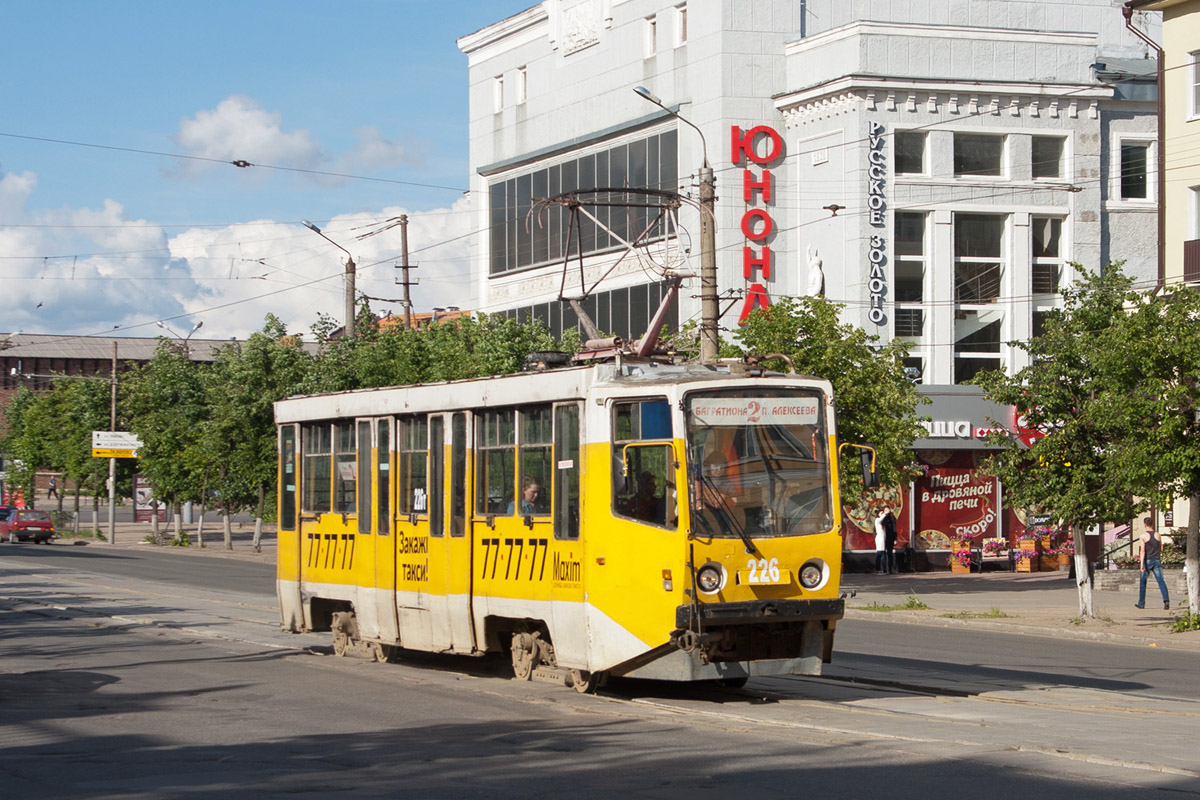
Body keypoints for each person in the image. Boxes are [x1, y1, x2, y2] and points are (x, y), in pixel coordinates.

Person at [1135, 517, 1170, 610]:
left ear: (1145, 524)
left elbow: (1142, 551)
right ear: (1152, 524)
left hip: (1148, 560)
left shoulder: (1143, 536)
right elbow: (1161, 548)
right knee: (1161, 581)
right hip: (1157, 560)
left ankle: (1141, 603)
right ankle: (1166, 600)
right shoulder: (1158, 535)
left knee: (1143, 582)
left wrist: (1141, 564)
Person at [882, 507, 898, 573]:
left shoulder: (892, 518)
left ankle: (890, 568)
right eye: (885, 510)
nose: (886, 511)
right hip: (883, 537)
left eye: (887, 510)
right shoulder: (883, 518)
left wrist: (895, 539)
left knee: (889, 553)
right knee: (883, 553)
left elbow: (894, 529)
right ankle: (884, 568)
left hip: (890, 537)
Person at [873, 507, 889, 574]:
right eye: (881, 513)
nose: (882, 514)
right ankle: (877, 568)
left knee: (883, 554)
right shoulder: (877, 520)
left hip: (883, 539)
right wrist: (885, 513)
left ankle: (884, 569)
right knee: (880, 553)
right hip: (879, 539)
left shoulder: (883, 523)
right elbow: (880, 519)